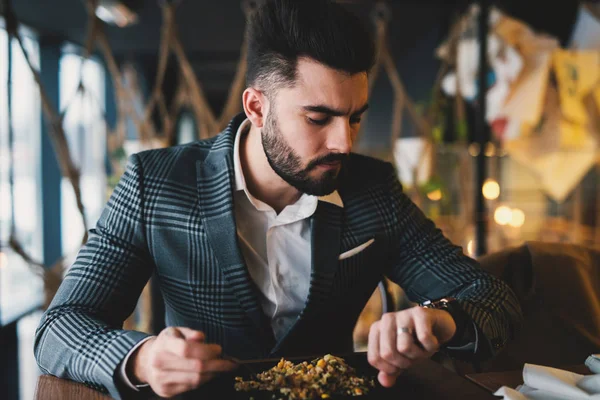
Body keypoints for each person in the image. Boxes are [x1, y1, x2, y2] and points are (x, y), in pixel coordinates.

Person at [34, 0, 523, 398]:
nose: (345, 143)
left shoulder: (374, 191)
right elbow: (59, 328)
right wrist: (140, 358)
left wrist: (440, 321)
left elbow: (492, 298)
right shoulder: (154, 183)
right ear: (256, 107)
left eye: (354, 117)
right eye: (318, 118)